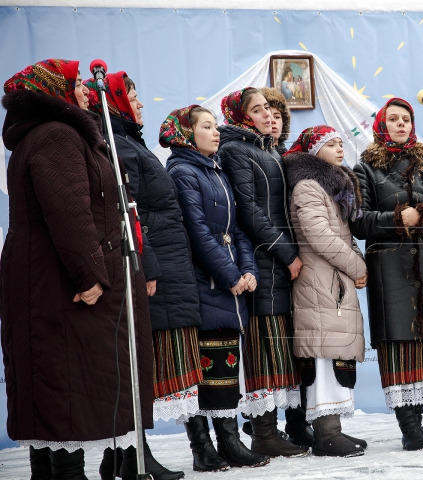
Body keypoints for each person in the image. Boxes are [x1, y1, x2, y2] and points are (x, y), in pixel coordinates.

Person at [1, 59, 154, 479]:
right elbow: (69, 212)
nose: (87, 90)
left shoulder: (50, 135)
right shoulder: (56, 136)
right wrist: (90, 275)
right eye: (75, 84)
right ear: (55, 91)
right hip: (58, 282)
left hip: (45, 277)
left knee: (56, 390)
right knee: (65, 389)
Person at [84, 71, 199, 480]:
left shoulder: (128, 139)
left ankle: (124, 455)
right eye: (132, 95)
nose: (141, 103)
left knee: (143, 363)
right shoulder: (113, 142)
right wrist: (146, 264)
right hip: (147, 259)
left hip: (159, 255)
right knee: (137, 364)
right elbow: (125, 208)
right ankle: (131, 455)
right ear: (114, 100)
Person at [162, 105, 270, 470]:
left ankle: (230, 441)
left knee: (225, 366)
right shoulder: (181, 172)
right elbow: (197, 231)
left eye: (215, 125)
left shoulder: (216, 171)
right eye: (206, 127)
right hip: (203, 281)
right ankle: (202, 449)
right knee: (203, 368)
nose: (216, 131)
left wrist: (249, 269)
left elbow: (236, 230)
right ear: (186, 134)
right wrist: (229, 275)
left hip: (227, 282)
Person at [350, 98, 423, 451]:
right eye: (393, 119)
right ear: (381, 125)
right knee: (398, 350)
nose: (401, 124)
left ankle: (420, 423)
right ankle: (408, 428)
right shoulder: (365, 166)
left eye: (406, 119)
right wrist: (397, 219)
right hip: (389, 269)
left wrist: (421, 216)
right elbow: (359, 220)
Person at [219, 88, 309, 458]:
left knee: (280, 348)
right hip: (263, 259)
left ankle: (282, 428)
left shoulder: (265, 149)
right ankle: (263, 431)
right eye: (256, 109)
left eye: (268, 107)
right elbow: (251, 212)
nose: (266, 113)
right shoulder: (236, 150)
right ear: (240, 115)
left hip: (278, 260)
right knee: (264, 347)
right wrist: (288, 254)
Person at [283, 125, 368, 457]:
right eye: (331, 144)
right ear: (312, 152)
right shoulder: (307, 186)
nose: (339, 149)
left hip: (333, 280)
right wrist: (357, 267)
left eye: (340, 143)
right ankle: (326, 434)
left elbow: (344, 236)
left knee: (333, 356)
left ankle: (333, 429)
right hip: (319, 284)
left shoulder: (330, 188)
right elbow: (320, 236)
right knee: (322, 358)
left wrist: (358, 262)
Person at [259, 86, 291, 155]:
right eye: (268, 116)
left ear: (284, 123)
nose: (273, 121)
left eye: (277, 117)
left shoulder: (291, 158)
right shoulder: (250, 155)